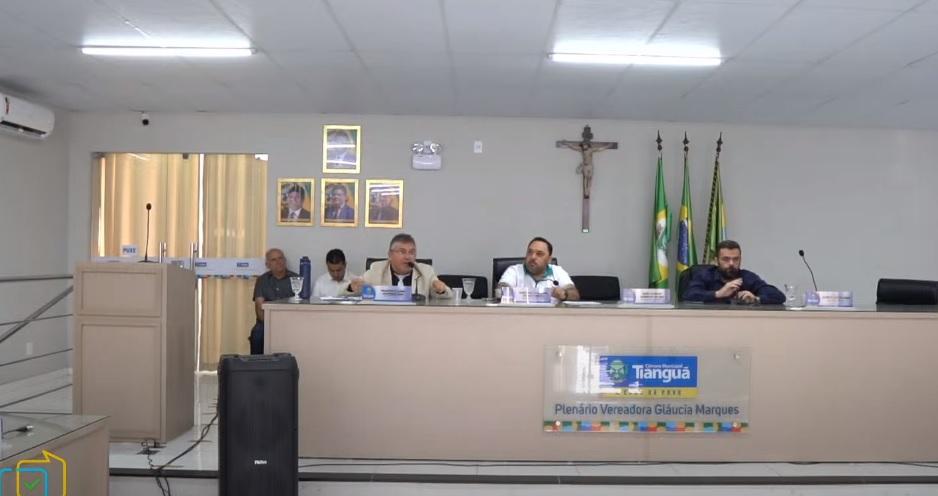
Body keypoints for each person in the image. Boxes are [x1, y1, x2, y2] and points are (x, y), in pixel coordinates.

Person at [342, 233, 452, 299]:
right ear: (390, 255)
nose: (408, 257)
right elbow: (343, 293)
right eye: (402, 252)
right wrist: (351, 288)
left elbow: (448, 296)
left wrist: (441, 290)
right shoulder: (376, 270)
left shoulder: (425, 272)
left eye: (412, 252)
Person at [683, 239, 785, 304]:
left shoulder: (747, 277)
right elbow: (688, 295)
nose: (731, 263)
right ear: (716, 260)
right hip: (708, 323)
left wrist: (755, 299)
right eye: (726, 259)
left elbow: (778, 296)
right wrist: (718, 294)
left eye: (736, 259)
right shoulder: (705, 275)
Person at [498, 237, 580, 301]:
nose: (533, 257)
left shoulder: (558, 271)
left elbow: (574, 294)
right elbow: (500, 291)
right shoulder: (514, 270)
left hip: (551, 315)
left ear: (549, 259)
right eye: (530, 252)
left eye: (539, 254)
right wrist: (507, 292)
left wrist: (565, 294)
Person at [249, 248, 298, 354]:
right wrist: (272, 325)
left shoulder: (296, 279)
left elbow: (300, 305)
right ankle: (256, 364)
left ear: (285, 260)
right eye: (273, 260)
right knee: (257, 335)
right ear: (267, 264)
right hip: (266, 321)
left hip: (290, 321)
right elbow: (259, 310)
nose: (278, 262)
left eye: (280, 258)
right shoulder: (262, 280)